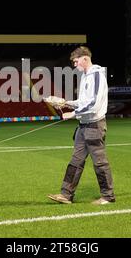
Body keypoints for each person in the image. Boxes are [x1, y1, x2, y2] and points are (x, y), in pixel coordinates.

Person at [46, 46, 115, 205]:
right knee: (75, 161)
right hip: (83, 126)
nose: (75, 65)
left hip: (94, 126)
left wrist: (73, 114)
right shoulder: (85, 76)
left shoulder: (96, 75)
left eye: (76, 62)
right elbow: (83, 102)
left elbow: (94, 104)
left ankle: (108, 196)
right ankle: (66, 195)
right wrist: (65, 103)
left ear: (85, 58)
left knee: (100, 162)